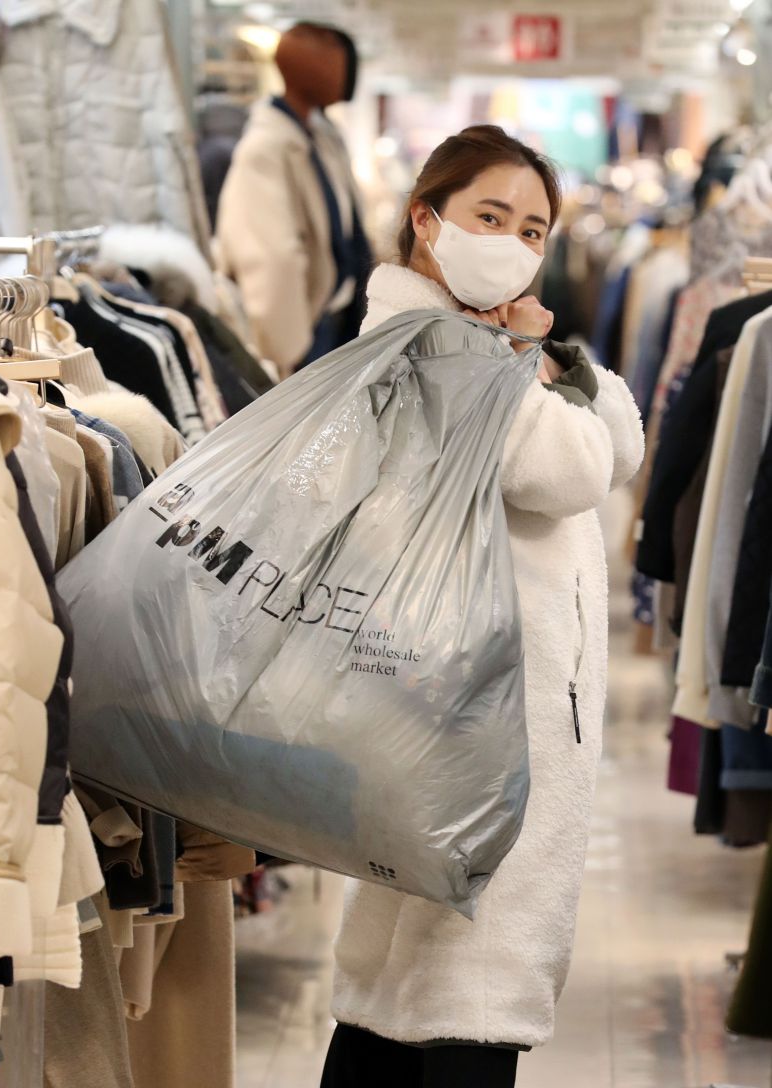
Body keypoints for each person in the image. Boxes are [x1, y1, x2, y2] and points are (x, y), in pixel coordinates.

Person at [321, 126, 644, 1087]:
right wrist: (532, 356)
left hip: (460, 688)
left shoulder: (465, 339)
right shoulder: (442, 347)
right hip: (482, 704)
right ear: (428, 219)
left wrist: (543, 359)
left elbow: (621, 445)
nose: (513, 242)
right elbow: (571, 466)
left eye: (533, 229)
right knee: (469, 986)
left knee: (404, 973)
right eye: (490, 216)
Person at [215, 22, 372, 378]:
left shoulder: (320, 136)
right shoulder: (267, 147)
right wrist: (288, 350)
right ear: (306, 69)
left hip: (335, 318)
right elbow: (269, 257)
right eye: (337, 61)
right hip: (305, 334)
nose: (347, 73)